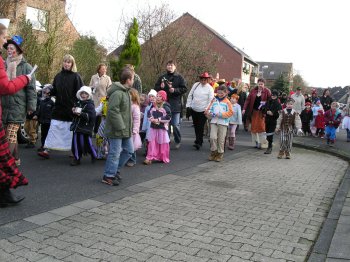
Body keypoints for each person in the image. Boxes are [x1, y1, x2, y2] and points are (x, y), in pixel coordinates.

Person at [0, 18, 31, 206]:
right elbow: (6, 87)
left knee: (5, 152)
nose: (5, 42)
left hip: (16, 109)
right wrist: (25, 79)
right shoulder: (2, 62)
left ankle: (5, 195)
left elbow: (31, 93)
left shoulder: (23, 64)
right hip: (5, 108)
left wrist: (31, 108)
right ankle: (5, 194)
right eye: (3, 37)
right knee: (3, 156)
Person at [38, 54, 84, 159]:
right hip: (58, 108)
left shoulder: (76, 76)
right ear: (62, 63)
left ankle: (73, 150)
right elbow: (54, 89)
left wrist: (78, 107)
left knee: (70, 132)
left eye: (69, 62)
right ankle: (46, 149)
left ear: (72, 64)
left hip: (71, 109)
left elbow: (81, 93)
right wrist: (49, 91)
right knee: (53, 128)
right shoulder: (58, 76)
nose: (66, 64)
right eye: (65, 62)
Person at [2, 35, 37, 166]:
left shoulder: (26, 67)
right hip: (5, 105)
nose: (9, 50)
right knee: (10, 134)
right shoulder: (4, 65)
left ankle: (5, 164)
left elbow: (31, 89)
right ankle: (16, 159)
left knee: (10, 134)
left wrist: (31, 107)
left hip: (18, 105)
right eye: (8, 48)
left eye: (12, 48)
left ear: (18, 50)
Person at [101, 67, 134, 186]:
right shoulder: (117, 93)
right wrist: (121, 126)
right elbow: (113, 111)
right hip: (117, 130)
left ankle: (115, 171)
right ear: (128, 80)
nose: (133, 80)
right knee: (114, 153)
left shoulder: (126, 92)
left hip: (125, 130)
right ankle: (108, 175)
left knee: (129, 151)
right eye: (133, 78)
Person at [154, 60, 187, 149]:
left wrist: (175, 90)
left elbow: (184, 89)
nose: (169, 67)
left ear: (175, 67)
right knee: (166, 124)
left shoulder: (179, 77)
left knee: (175, 124)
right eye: (168, 65)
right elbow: (155, 88)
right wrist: (159, 87)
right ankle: (166, 141)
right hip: (164, 105)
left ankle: (177, 140)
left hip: (175, 104)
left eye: (171, 65)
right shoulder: (162, 77)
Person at [185, 72, 214, 150]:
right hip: (194, 109)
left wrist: (207, 109)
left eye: (205, 79)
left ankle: (199, 142)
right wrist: (188, 106)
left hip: (203, 110)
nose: (203, 81)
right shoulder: (196, 85)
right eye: (202, 79)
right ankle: (197, 139)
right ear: (200, 79)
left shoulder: (210, 88)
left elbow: (210, 100)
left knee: (200, 126)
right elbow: (190, 95)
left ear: (207, 80)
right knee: (196, 125)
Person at [70, 86, 97, 166]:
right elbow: (73, 115)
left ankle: (94, 154)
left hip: (85, 128)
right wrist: (73, 111)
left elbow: (91, 117)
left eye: (85, 93)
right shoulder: (78, 103)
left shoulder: (90, 105)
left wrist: (81, 114)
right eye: (82, 93)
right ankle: (77, 158)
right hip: (76, 127)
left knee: (86, 143)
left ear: (89, 95)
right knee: (75, 143)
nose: (83, 95)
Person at [206, 85, 233, 162]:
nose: (220, 94)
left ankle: (220, 153)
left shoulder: (227, 102)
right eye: (218, 93)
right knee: (212, 137)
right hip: (214, 121)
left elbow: (231, 112)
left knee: (221, 139)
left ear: (225, 93)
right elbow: (209, 109)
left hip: (223, 123)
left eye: (221, 93)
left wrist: (221, 115)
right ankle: (213, 152)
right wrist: (209, 113)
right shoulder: (214, 100)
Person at [143, 90, 172, 165]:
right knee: (152, 142)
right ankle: (150, 157)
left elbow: (168, 117)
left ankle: (162, 157)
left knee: (162, 143)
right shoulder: (153, 105)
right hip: (153, 127)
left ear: (163, 98)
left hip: (162, 128)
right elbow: (149, 113)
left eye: (160, 96)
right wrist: (152, 119)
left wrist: (159, 119)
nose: (158, 98)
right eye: (157, 96)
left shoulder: (166, 106)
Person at [242, 78, 271, 149]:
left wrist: (267, 108)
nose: (260, 85)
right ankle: (256, 142)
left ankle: (263, 143)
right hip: (254, 112)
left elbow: (270, 101)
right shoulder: (253, 91)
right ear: (257, 84)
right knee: (253, 128)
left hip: (262, 113)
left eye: (262, 84)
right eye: (259, 84)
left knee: (261, 128)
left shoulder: (267, 91)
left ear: (264, 84)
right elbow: (248, 100)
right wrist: (244, 109)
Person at [126, 88, 142, 167]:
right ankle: (126, 158)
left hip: (132, 130)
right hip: (126, 128)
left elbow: (137, 120)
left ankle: (132, 159)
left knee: (131, 146)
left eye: (129, 95)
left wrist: (135, 130)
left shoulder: (135, 107)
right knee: (126, 145)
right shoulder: (127, 105)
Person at [37, 84, 55, 152]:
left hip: (49, 121)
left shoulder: (52, 102)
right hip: (43, 121)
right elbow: (39, 110)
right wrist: (37, 117)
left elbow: (54, 111)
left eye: (47, 93)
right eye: (44, 93)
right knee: (43, 134)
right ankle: (43, 145)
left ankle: (47, 146)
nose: (46, 94)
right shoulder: (42, 102)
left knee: (48, 134)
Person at [263, 90, 281, 154]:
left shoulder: (278, 103)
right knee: (267, 133)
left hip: (273, 121)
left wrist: (273, 113)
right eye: (272, 95)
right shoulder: (268, 101)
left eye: (274, 95)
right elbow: (264, 109)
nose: (273, 96)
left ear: (277, 96)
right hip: (267, 120)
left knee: (270, 134)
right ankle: (269, 144)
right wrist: (266, 111)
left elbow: (279, 113)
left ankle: (269, 147)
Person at [141, 89, 157, 156]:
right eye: (150, 97)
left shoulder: (157, 106)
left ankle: (154, 151)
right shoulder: (148, 107)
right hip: (148, 126)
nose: (151, 98)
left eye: (153, 96)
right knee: (148, 139)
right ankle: (147, 150)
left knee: (154, 139)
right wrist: (144, 127)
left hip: (155, 126)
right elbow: (145, 118)